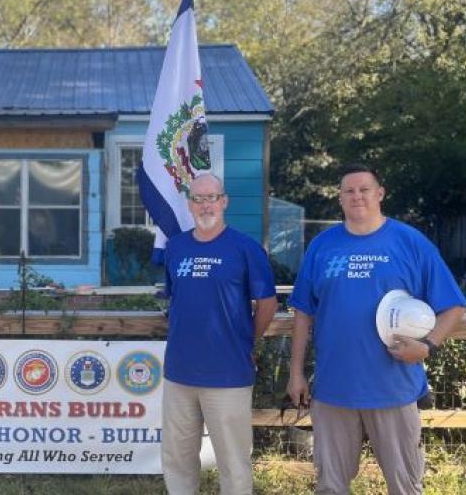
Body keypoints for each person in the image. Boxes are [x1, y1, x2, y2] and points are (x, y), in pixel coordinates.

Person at [287, 163, 466, 495]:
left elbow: (453, 306)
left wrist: (427, 347)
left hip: (393, 388)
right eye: (349, 191)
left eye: (364, 189)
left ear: (380, 194)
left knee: (405, 486)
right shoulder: (322, 246)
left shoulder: (410, 243)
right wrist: (296, 372)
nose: (357, 196)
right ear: (339, 198)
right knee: (330, 486)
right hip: (333, 389)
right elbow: (302, 313)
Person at [161, 173, 278, 495]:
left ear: (224, 201)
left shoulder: (245, 248)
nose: (205, 204)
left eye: (212, 197)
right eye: (198, 198)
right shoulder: (176, 247)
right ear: (189, 205)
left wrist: (246, 342)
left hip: (228, 373)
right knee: (177, 458)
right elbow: (176, 301)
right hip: (179, 373)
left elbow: (267, 303)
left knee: (234, 463)